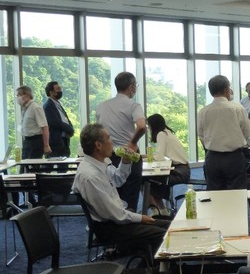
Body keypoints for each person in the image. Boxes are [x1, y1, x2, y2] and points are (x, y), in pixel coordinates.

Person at [72, 123, 170, 256]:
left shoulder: (100, 163)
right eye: (109, 138)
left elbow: (118, 179)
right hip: (110, 228)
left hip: (117, 219)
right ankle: (152, 266)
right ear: (98, 145)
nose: (112, 142)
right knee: (166, 233)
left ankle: (154, 263)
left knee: (170, 226)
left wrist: (125, 161)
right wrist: (140, 218)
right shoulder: (90, 176)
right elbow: (115, 215)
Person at [95, 72, 146, 212]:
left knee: (112, 196)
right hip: (129, 155)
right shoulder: (133, 105)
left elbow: (98, 131)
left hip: (108, 157)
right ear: (131, 87)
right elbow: (142, 126)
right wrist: (133, 142)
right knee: (129, 199)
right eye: (135, 85)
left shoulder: (102, 106)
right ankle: (131, 223)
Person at [197, 75, 250, 190]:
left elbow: (201, 135)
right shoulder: (237, 109)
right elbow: (247, 133)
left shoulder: (203, 112)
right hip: (234, 157)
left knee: (214, 193)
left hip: (212, 158)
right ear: (227, 89)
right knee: (236, 193)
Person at [146, 113, 191, 216]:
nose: (148, 129)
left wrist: (146, 157)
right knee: (153, 180)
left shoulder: (161, 134)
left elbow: (159, 157)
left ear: (153, 125)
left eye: (149, 126)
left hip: (178, 172)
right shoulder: (168, 133)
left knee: (146, 181)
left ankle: (158, 211)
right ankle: (161, 211)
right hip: (183, 170)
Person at [16, 85, 51, 159]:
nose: (18, 98)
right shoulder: (25, 108)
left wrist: (46, 145)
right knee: (24, 164)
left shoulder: (35, 107)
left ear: (27, 95)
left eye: (19, 95)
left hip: (35, 141)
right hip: (27, 141)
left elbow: (44, 127)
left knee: (33, 164)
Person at [43, 81, 74, 157]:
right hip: (55, 143)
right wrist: (69, 128)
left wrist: (71, 128)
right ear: (51, 92)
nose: (60, 91)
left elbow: (65, 118)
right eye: (58, 89)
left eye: (60, 88)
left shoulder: (58, 104)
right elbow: (55, 122)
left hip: (64, 140)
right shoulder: (48, 106)